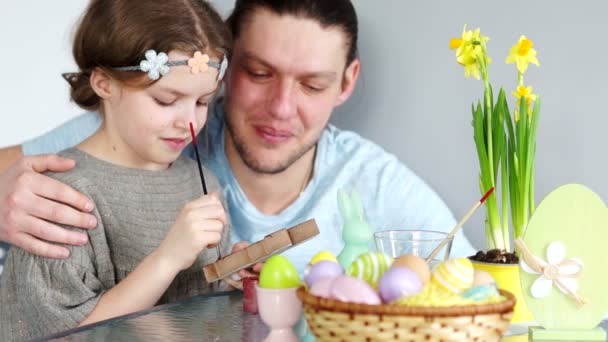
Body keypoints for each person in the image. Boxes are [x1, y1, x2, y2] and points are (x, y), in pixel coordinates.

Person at [0, 0, 476, 277]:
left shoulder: (375, 184)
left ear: (347, 83)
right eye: (259, 72)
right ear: (221, 64)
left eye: (312, 85)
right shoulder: (148, 134)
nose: (281, 108)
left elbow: (484, 286)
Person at [0, 0, 233, 339]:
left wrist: (231, 276)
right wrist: (167, 259)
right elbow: (66, 335)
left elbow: (201, 308)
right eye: (166, 101)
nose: (189, 123)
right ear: (104, 84)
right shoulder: (59, 197)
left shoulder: (202, 181)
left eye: (202, 102)